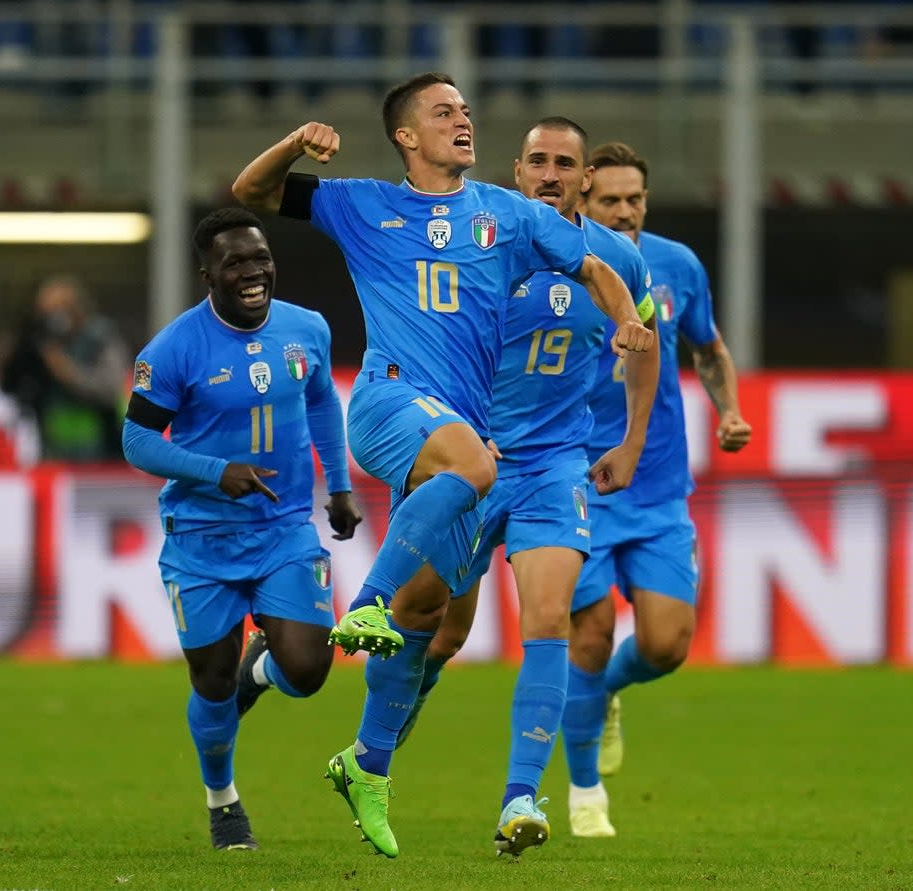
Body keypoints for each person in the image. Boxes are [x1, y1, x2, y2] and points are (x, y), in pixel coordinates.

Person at [230, 72, 654, 859]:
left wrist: (628, 318)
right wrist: (295, 141)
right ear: (406, 135)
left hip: (514, 452)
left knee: (436, 628)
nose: (463, 121)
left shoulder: (508, 216)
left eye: (466, 111)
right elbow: (252, 191)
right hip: (402, 408)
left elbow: (598, 268)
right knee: (464, 486)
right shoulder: (361, 204)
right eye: (443, 112)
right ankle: (363, 603)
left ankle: (388, 767)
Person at [388, 116, 660, 858]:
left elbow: (645, 340)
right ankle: (399, 701)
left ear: (584, 181)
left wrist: (631, 438)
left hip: (554, 464)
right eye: (536, 160)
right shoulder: (478, 242)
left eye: (563, 164)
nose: (549, 173)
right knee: (440, 626)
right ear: (515, 171)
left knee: (550, 620)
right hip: (470, 457)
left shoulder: (617, 260)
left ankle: (519, 798)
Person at [121, 207, 363, 851]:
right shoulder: (174, 349)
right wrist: (213, 470)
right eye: (236, 263)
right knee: (211, 682)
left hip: (283, 529)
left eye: (260, 258)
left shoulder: (305, 328)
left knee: (309, 671)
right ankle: (222, 800)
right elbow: (136, 438)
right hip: (201, 537)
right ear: (208, 274)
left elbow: (319, 401)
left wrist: (337, 486)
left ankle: (264, 671)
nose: (253, 272)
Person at [566, 141, 752, 838]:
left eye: (633, 199)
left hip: (659, 485)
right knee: (587, 636)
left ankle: (609, 691)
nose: (623, 211)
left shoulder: (676, 265)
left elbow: (707, 347)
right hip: (579, 482)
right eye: (608, 199)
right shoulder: (558, 265)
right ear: (583, 200)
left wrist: (728, 408)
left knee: (669, 643)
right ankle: (585, 794)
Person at [0, 275, 129, 462]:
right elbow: (8, 384)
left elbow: (111, 388)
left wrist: (68, 373)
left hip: (101, 453)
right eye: (45, 311)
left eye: (61, 308)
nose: (53, 317)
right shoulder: (39, 344)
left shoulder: (100, 339)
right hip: (52, 453)